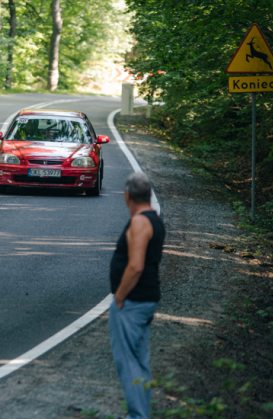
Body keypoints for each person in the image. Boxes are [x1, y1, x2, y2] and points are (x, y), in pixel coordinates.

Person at [109, 172, 165, 419]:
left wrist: (119, 297)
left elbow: (136, 266)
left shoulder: (140, 222)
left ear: (127, 196)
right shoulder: (154, 220)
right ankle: (141, 413)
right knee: (140, 361)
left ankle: (137, 415)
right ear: (150, 195)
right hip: (146, 298)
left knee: (128, 363)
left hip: (133, 301)